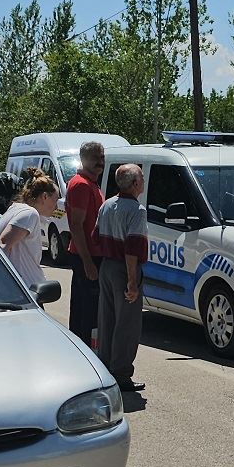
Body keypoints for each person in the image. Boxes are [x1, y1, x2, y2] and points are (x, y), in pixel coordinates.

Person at [94, 163, 147, 392]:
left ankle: (105, 367)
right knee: (127, 324)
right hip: (124, 269)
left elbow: (96, 237)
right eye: (142, 177)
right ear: (135, 183)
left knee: (107, 320)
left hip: (107, 266)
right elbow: (132, 249)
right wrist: (132, 282)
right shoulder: (137, 210)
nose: (143, 181)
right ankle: (122, 374)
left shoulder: (106, 205)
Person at [65, 140, 108, 345]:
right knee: (86, 314)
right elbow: (76, 225)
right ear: (83, 159)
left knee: (89, 312)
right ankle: (84, 353)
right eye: (95, 158)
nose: (100, 161)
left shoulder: (91, 183)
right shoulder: (81, 184)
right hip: (87, 257)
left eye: (102, 157)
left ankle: (86, 351)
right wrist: (88, 262)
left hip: (93, 256)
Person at [0, 175, 59, 290]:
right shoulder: (30, 213)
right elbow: (3, 244)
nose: (57, 207)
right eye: (55, 200)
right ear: (44, 196)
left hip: (22, 289)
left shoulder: (15, 209)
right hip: (24, 291)